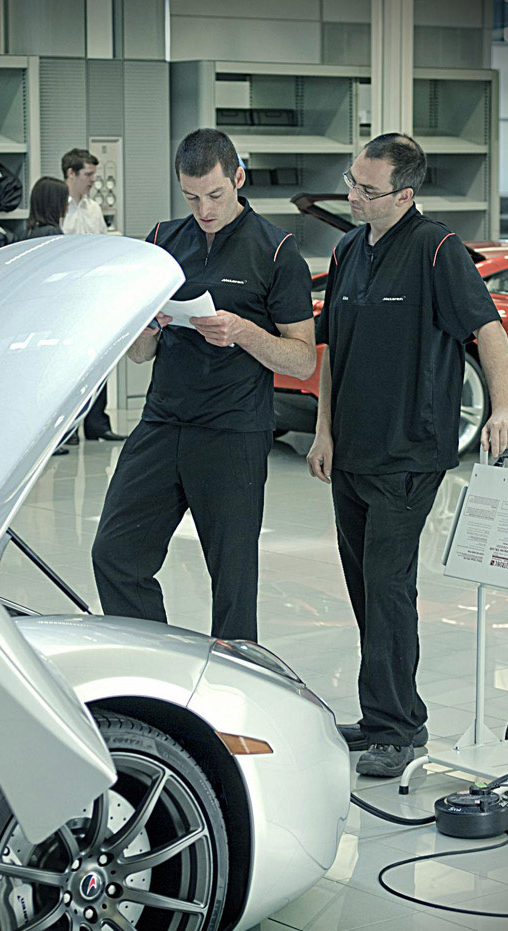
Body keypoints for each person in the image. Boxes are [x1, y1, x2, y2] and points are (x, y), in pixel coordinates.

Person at [306, 132, 508, 778]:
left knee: (387, 585)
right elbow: (331, 350)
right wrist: (322, 430)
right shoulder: (348, 250)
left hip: (408, 452)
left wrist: (503, 408)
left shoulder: (436, 250)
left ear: (404, 195)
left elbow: (487, 329)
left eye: (367, 189)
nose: (352, 196)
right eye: (352, 181)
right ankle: (383, 717)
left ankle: (399, 728)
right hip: (351, 452)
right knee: (362, 587)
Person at [92, 128, 316, 641]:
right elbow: (140, 354)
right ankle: (156, 663)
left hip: (233, 431)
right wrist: (147, 328)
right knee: (115, 554)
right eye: (191, 198)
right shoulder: (161, 241)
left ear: (238, 178)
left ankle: (234, 682)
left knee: (232, 581)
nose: (204, 210)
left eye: (214, 195)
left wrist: (243, 332)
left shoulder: (277, 251)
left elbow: (303, 359)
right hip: (162, 422)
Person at [60, 147, 125, 444]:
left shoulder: (93, 209)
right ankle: (68, 428)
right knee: (68, 364)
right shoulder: (58, 209)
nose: (92, 181)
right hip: (67, 297)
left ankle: (97, 422)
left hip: (93, 294)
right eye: (88, 174)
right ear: (70, 173)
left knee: (99, 359)